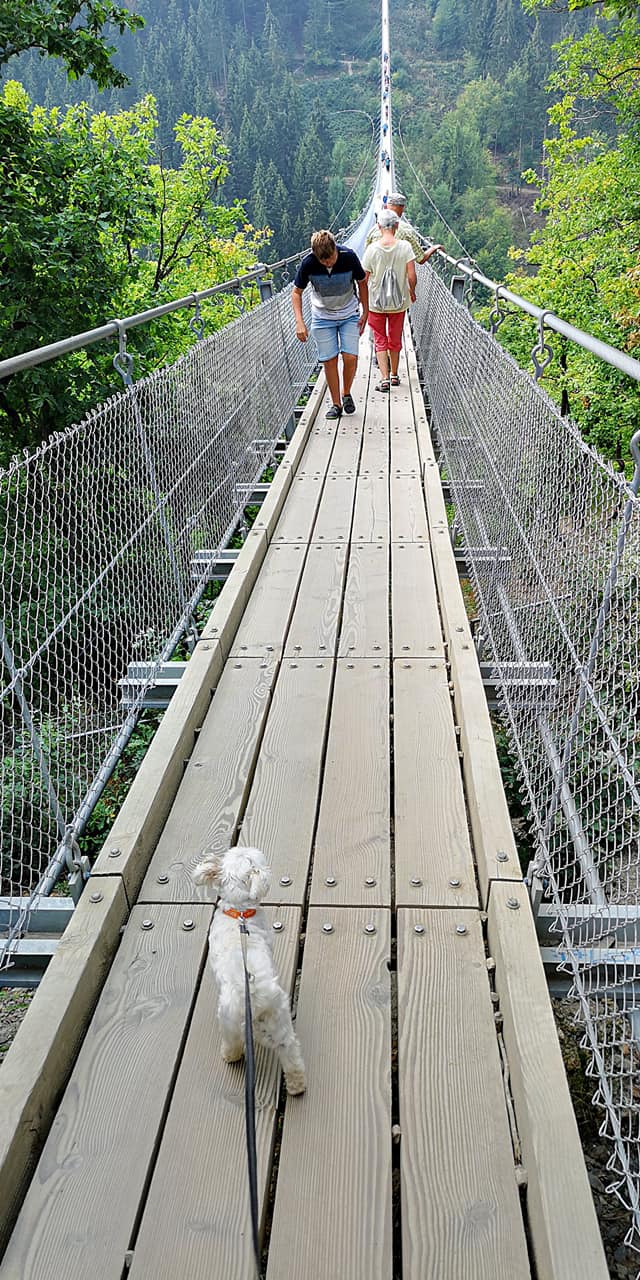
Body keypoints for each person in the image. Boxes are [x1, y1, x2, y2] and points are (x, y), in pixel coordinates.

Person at [292, 229, 368, 420]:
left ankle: (346, 392)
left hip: (349, 312)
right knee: (329, 360)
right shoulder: (308, 263)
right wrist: (300, 322)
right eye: (323, 260)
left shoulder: (348, 256)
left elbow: (362, 282)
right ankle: (336, 404)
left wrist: (366, 311)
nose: (329, 263)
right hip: (322, 316)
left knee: (350, 356)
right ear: (316, 255)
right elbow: (296, 292)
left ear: (335, 248)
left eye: (331, 257)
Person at [361, 209, 415, 391]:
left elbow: (363, 278)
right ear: (397, 226)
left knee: (380, 339)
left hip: (376, 303)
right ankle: (394, 375)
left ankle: (384, 378)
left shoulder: (371, 249)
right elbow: (412, 275)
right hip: (399, 303)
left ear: (378, 226)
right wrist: (412, 291)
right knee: (395, 337)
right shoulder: (405, 247)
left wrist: (363, 301)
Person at [365, 191, 443, 267]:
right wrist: (434, 248)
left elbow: (367, 258)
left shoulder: (373, 230)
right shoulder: (407, 230)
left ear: (386, 206)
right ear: (402, 208)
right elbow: (421, 259)